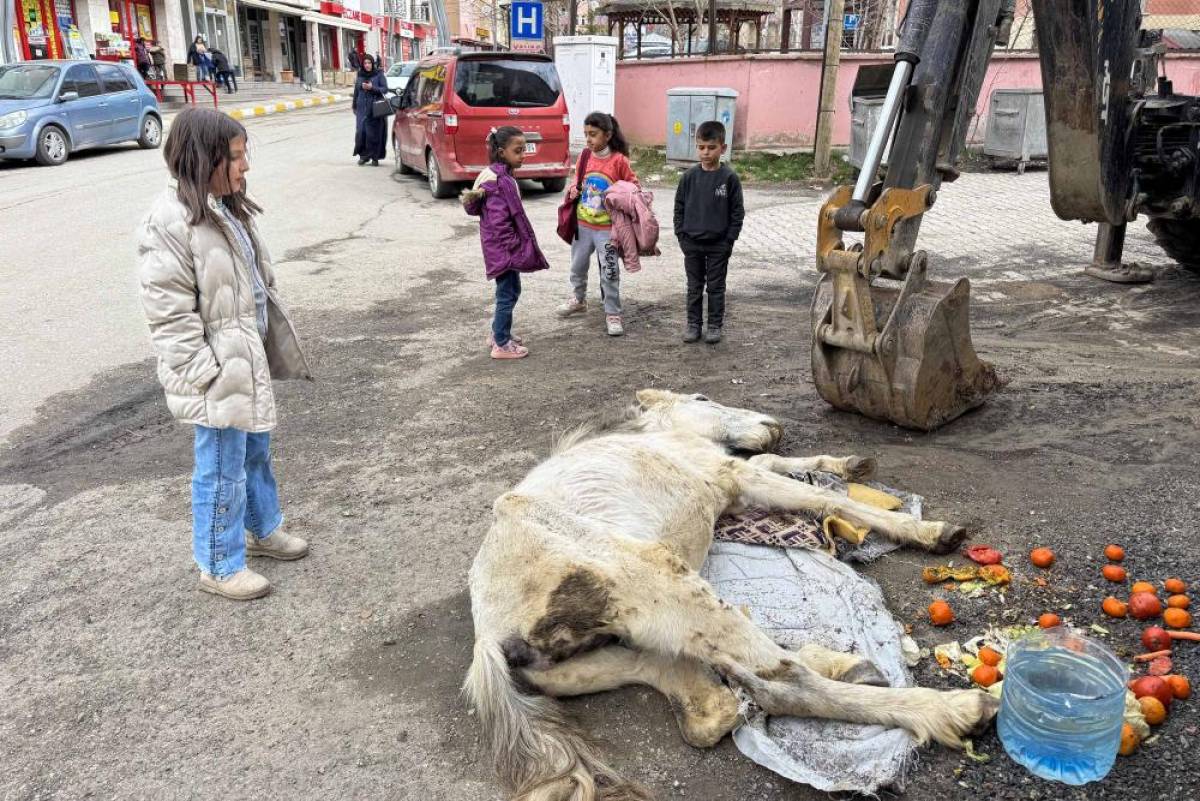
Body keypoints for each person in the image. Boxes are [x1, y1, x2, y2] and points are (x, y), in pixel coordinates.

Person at [137, 108, 312, 601]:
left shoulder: (226, 209)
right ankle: (218, 563)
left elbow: (254, 280)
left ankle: (262, 529)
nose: (245, 166)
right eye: (236, 156)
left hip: (243, 362)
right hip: (216, 375)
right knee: (220, 470)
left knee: (255, 454)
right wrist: (205, 374)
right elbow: (168, 314)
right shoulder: (169, 222)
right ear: (204, 158)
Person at [462, 126, 550, 359]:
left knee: (510, 290)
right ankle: (501, 344)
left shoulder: (497, 175)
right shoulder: (500, 181)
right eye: (518, 151)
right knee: (507, 294)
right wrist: (514, 245)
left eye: (524, 150)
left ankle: (498, 332)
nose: (523, 155)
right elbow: (499, 221)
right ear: (502, 152)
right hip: (503, 250)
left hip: (499, 249)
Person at [557, 112, 638, 337]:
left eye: (593, 134)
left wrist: (617, 195)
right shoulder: (584, 156)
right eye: (586, 134)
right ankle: (578, 299)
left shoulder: (619, 161)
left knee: (610, 272)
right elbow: (576, 182)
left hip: (608, 230)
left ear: (608, 135)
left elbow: (634, 187)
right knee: (577, 267)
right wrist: (573, 190)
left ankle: (613, 313)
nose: (588, 139)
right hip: (582, 226)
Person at [673, 120, 744, 344]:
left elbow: (737, 212)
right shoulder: (688, 177)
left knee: (716, 288)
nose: (705, 152)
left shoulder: (729, 178)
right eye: (701, 147)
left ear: (723, 148)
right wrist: (681, 236)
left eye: (711, 147)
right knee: (694, 288)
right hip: (692, 244)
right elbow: (679, 208)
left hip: (718, 246)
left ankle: (714, 326)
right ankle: (693, 325)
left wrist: (729, 240)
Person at [352, 54, 388, 166]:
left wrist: (372, 88)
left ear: (372, 64)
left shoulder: (378, 74)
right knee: (361, 132)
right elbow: (356, 91)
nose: (367, 65)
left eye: (369, 63)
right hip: (362, 108)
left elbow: (385, 89)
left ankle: (375, 157)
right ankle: (364, 156)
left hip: (375, 108)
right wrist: (354, 105)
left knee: (374, 134)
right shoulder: (360, 75)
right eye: (365, 63)